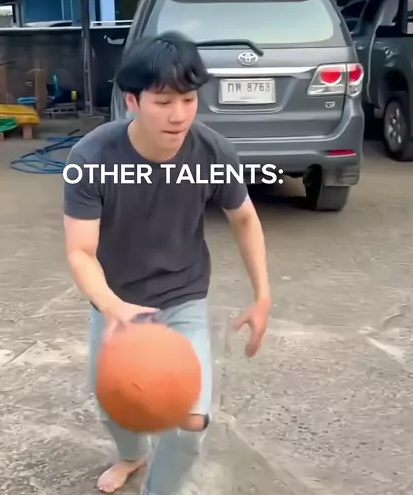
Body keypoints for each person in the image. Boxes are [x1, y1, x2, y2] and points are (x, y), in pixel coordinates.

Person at [63, 31, 271, 495]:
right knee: (116, 406)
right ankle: (132, 455)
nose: (178, 115)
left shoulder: (213, 152)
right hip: (116, 301)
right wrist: (111, 307)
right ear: (132, 101)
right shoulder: (92, 157)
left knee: (191, 422)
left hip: (183, 298)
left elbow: (244, 218)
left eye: (188, 100)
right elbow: (80, 251)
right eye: (163, 102)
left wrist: (263, 295)